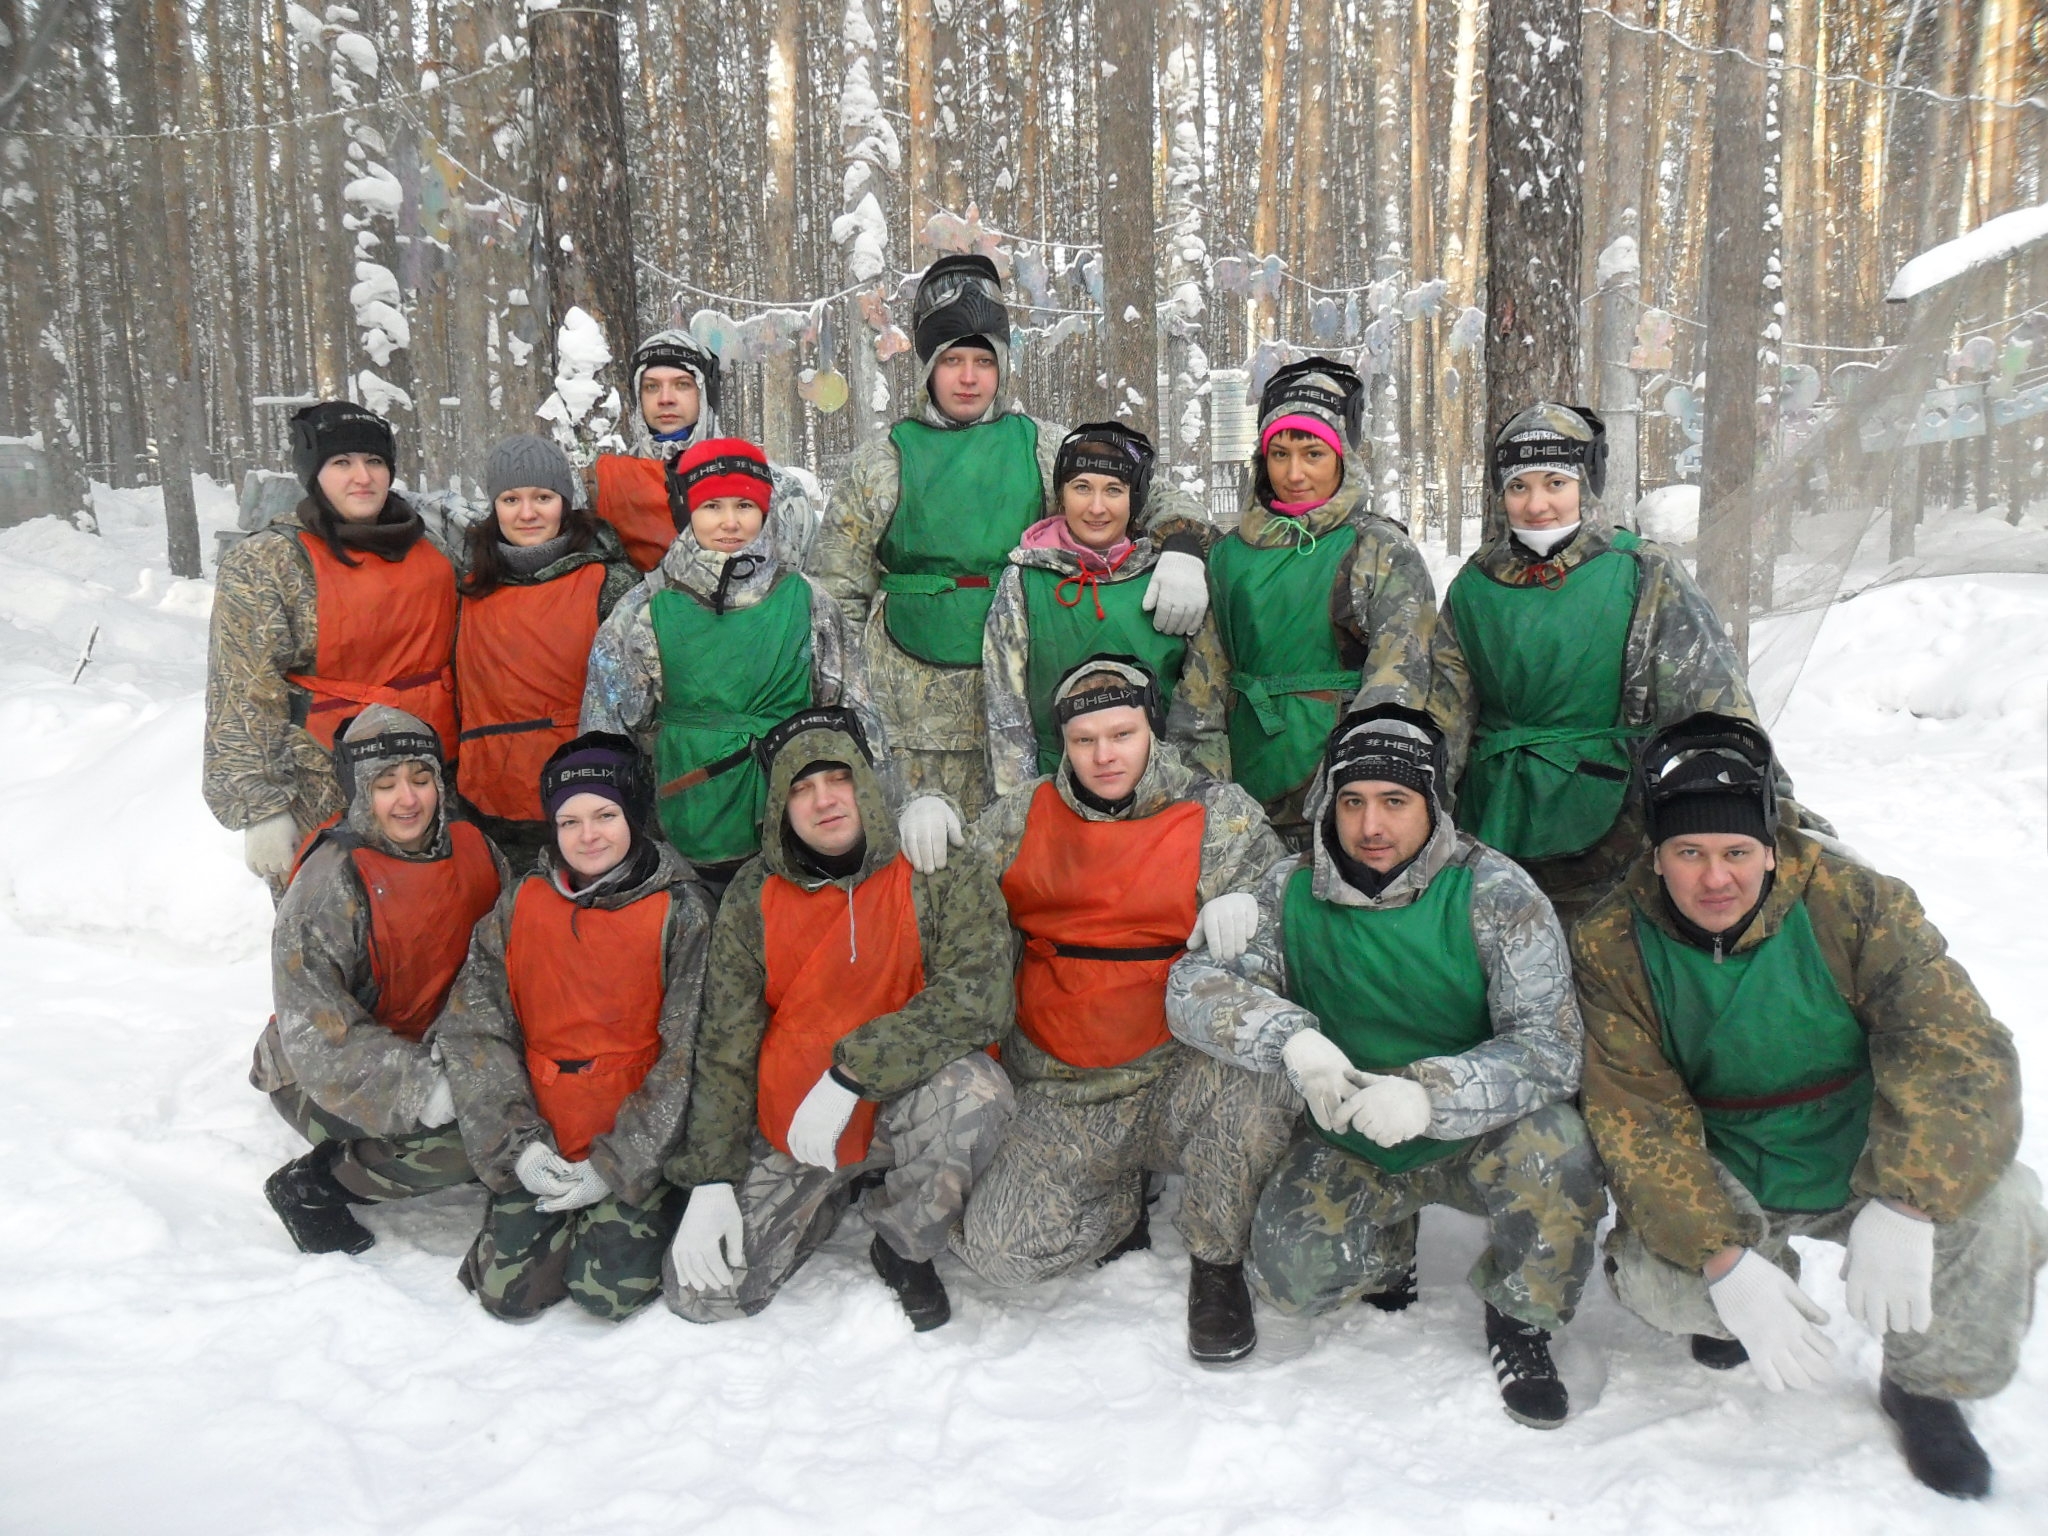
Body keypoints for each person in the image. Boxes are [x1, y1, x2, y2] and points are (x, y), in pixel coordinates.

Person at [1574, 714, 2045, 1498]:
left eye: (1735, 853)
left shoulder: (1855, 902)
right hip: (1726, 1165)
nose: (1714, 878)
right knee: (1661, 1277)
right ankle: (1748, 1295)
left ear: (1770, 847)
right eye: (1688, 853)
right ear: (1657, 859)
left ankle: (1925, 1388)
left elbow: (1954, 1049)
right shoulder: (1612, 943)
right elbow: (1637, 1118)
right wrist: (1723, 1257)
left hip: (1861, 1152)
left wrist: (1911, 1199)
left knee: (2004, 1206)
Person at [1166, 706, 1601, 1427]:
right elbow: (1190, 987)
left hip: (1476, 1129)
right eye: (1353, 802)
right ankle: (1389, 1246)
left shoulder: (1496, 893)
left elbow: (1551, 1049)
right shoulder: (1290, 891)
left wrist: (1431, 1096)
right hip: (1351, 1131)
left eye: (1395, 803)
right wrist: (1292, 1041)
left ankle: (1520, 1320)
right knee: (1289, 1280)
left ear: (1431, 806)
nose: (1372, 826)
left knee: (1562, 1152)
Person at [952, 657, 1297, 1365]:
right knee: (998, 1253)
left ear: (1152, 731)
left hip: (1177, 1074)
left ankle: (1216, 1261)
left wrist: (1255, 906)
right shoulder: (1019, 817)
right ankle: (1115, 1200)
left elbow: (1289, 901)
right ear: (1063, 746)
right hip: (1062, 1087)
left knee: (1266, 1074)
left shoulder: (1215, 811)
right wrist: (923, 833)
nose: (1104, 756)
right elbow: (946, 911)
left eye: (1122, 733)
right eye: (1084, 741)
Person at [813, 254, 1214, 837]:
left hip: (1032, 706)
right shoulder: (883, 462)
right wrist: (851, 705)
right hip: (909, 716)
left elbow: (1142, 493)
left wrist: (1182, 544)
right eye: (952, 361)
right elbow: (834, 592)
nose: (969, 378)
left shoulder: (1042, 448)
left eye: (983, 360)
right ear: (927, 366)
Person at [663, 707, 1014, 1329]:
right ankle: (822, 1194)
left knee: (976, 1094)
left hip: (905, 1102)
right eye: (800, 788)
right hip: (797, 1119)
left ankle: (902, 1242)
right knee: (702, 1295)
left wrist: (851, 1074)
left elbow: (978, 998)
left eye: (838, 778)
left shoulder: (936, 869)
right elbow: (724, 1045)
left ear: (867, 783)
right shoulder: (753, 894)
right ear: (779, 807)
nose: (823, 800)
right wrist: (711, 1177)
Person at [1429, 404, 1802, 925]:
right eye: (1519, 487)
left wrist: (1768, 807)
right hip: (1493, 819)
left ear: (1587, 482)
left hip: (1617, 825)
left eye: (1555, 483)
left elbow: (1711, 699)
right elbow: (1444, 713)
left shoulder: (1643, 569)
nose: (1537, 505)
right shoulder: (1474, 585)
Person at [433, 734, 711, 1322]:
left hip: (635, 1139)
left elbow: (689, 1056)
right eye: (569, 821)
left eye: (606, 815)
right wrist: (518, 1145)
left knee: (605, 1291)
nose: (589, 836)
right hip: (545, 1131)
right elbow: (474, 1031)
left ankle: (649, 1209)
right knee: (507, 1294)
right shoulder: (522, 904)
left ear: (633, 816)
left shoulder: (680, 911)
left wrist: (615, 1164)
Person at [250, 707, 506, 1256]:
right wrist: (421, 1085)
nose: (407, 799)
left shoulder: (477, 851)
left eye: (420, 778)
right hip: (323, 1072)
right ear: (361, 792)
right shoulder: (329, 883)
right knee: (464, 1147)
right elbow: (319, 1037)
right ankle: (312, 1186)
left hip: (439, 1046)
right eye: (386, 785)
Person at [582, 436, 884, 899]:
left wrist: (871, 805)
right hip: (691, 812)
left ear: (764, 510)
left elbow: (852, 708)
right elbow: (608, 726)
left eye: (744, 505)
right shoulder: (646, 608)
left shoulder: (807, 600)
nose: (729, 522)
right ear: (688, 512)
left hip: (799, 812)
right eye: (711, 506)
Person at [205, 402, 459, 892]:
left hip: (428, 783)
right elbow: (240, 694)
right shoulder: (271, 562)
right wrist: (261, 810)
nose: (362, 477)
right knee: (339, 939)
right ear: (313, 473)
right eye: (341, 463)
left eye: (375, 462)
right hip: (323, 789)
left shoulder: (435, 551)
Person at [1208, 360, 1436, 850]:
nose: (1294, 474)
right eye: (1279, 454)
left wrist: (1353, 784)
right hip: (1245, 785)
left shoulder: (1376, 548)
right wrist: (1209, 792)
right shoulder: (1229, 554)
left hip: (1341, 787)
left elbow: (1398, 679)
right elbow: (1203, 684)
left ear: (1341, 458)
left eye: (1313, 453)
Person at [982, 421, 1229, 799]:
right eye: (1082, 488)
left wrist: (1191, 799)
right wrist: (1022, 806)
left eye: (1113, 490)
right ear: (1061, 495)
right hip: (1056, 791)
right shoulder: (1025, 582)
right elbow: (1006, 712)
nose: (1097, 508)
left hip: (1157, 793)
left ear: (1135, 501)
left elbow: (1197, 711)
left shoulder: (1167, 579)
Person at [454, 434, 638, 869]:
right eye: (510, 499)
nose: (527, 513)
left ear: (565, 502)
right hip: (491, 811)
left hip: (589, 806)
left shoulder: (609, 583)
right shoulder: (468, 587)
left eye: (543, 496)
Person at [585, 329, 818, 573]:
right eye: (652, 387)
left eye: (682, 385)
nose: (665, 399)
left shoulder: (772, 485)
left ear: (706, 391)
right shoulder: (605, 486)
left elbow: (808, 586)